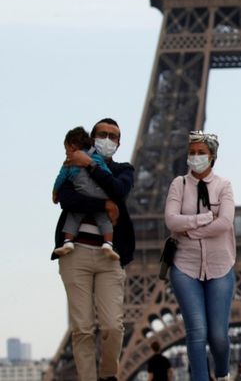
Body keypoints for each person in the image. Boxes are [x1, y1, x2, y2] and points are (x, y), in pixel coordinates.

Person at [51, 118, 136, 381]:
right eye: (103, 134)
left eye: (113, 136)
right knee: (82, 330)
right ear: (92, 137)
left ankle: (108, 375)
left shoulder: (123, 169)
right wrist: (104, 206)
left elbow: (118, 190)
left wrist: (90, 165)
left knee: (112, 326)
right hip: (74, 253)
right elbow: (66, 199)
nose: (107, 139)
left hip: (109, 255)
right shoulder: (71, 165)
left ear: (119, 143)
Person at [165, 131, 236, 381]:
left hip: (220, 267)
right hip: (185, 267)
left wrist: (191, 230)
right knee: (196, 332)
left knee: (218, 335)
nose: (195, 157)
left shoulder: (223, 186)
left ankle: (223, 373)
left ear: (212, 156)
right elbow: (171, 220)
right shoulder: (179, 184)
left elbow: (225, 222)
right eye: (192, 152)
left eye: (201, 153)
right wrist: (205, 219)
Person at [52, 126, 119, 260]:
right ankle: (108, 243)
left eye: (66, 150)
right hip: (100, 193)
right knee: (104, 219)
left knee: (73, 216)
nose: (66, 154)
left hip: (83, 193)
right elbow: (107, 174)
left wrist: (55, 192)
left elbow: (61, 178)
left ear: (72, 146)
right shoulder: (95, 156)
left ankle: (68, 242)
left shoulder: (69, 162)